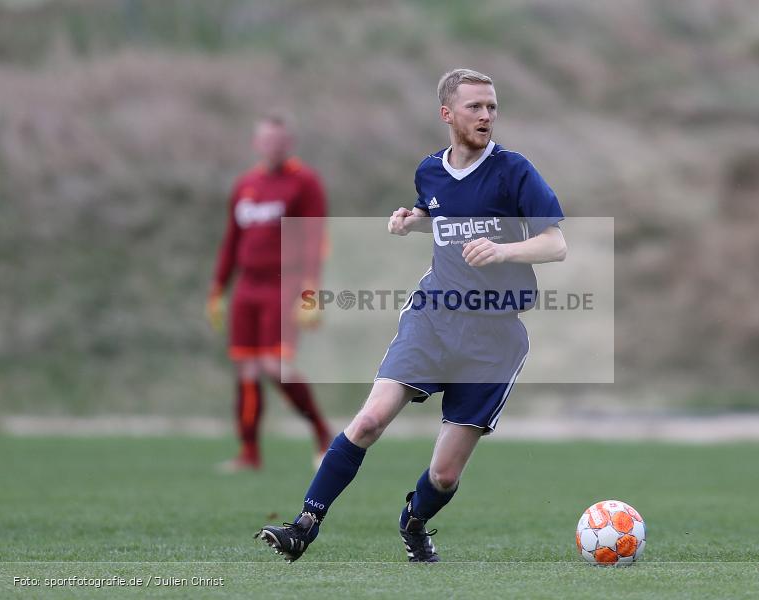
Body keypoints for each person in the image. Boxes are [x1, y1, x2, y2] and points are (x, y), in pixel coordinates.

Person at [255, 69, 566, 562]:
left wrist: (505, 251)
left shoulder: (514, 171)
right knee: (370, 420)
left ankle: (414, 520)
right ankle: (303, 526)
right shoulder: (430, 171)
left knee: (444, 475)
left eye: (491, 106)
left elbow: (556, 244)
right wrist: (414, 220)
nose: (486, 115)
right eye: (474, 107)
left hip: (494, 336)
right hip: (433, 316)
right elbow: (441, 214)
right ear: (447, 114)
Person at [207, 111, 332, 472]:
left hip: (285, 282)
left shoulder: (304, 182)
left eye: (279, 141)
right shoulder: (246, 185)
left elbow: (314, 238)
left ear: (288, 144)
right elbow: (232, 241)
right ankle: (249, 454)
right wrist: (218, 288)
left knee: (274, 365)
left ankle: (323, 433)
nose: (272, 146)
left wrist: (312, 289)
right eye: (266, 140)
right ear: (256, 143)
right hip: (247, 286)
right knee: (246, 368)